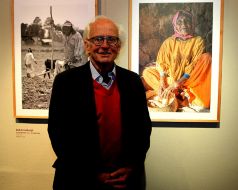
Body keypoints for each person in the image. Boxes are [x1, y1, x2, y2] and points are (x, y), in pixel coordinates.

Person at [48, 16, 152, 190]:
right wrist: (91, 173)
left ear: (118, 47)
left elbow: (143, 130)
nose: (105, 45)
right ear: (87, 45)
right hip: (78, 180)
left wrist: (131, 166)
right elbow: (58, 134)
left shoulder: (133, 81)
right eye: (98, 39)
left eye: (111, 39)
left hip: (125, 181)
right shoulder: (66, 82)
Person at [142, 10, 212, 112]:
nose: (184, 24)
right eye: (179, 22)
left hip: (189, 81)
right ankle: (170, 93)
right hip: (170, 81)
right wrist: (162, 83)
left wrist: (177, 83)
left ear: (192, 24)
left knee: (207, 58)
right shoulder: (168, 42)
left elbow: (193, 66)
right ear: (175, 25)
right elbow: (162, 64)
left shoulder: (198, 41)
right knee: (147, 72)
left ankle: (177, 94)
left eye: (187, 21)